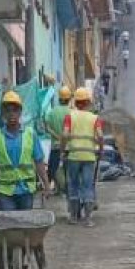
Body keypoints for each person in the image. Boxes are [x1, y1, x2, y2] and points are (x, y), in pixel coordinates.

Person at [0, 90, 49, 212]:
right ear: (3, 113)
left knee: (25, 225)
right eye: (8, 111)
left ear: (20, 112)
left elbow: (39, 162)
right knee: (9, 225)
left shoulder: (30, 134)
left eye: (15, 110)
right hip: (5, 192)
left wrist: (46, 185)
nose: (11, 114)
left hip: (26, 190)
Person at [62, 87, 104, 226]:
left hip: (73, 156)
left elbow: (65, 135)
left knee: (73, 185)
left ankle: (74, 217)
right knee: (88, 186)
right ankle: (88, 219)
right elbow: (100, 136)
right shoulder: (94, 118)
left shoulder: (70, 117)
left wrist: (63, 149)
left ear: (76, 102)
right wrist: (101, 149)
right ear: (87, 102)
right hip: (89, 156)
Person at [43, 85, 72, 194]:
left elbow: (46, 127)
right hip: (69, 147)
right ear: (69, 99)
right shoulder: (71, 113)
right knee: (68, 170)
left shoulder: (52, 112)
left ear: (59, 98)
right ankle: (67, 189)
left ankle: (56, 189)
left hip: (55, 146)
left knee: (53, 168)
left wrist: (56, 136)